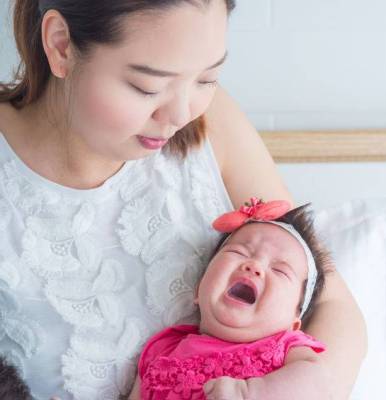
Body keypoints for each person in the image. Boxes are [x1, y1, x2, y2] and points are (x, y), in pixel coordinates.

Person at [0, 1, 367, 399]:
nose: (180, 114)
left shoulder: (212, 123)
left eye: (207, 79)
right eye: (148, 87)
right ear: (60, 45)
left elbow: (332, 306)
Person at [129, 199, 330, 399]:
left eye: (279, 270)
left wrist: (249, 392)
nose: (254, 266)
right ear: (199, 289)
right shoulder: (163, 348)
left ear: (294, 323)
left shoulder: (287, 347)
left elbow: (319, 385)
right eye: (238, 252)